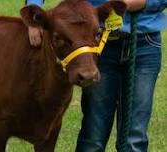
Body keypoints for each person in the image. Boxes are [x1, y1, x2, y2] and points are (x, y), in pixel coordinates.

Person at [26, 0, 167, 152]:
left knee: (135, 138)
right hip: (92, 42)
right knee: (94, 135)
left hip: (144, 43)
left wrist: (144, 2)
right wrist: (34, 16)